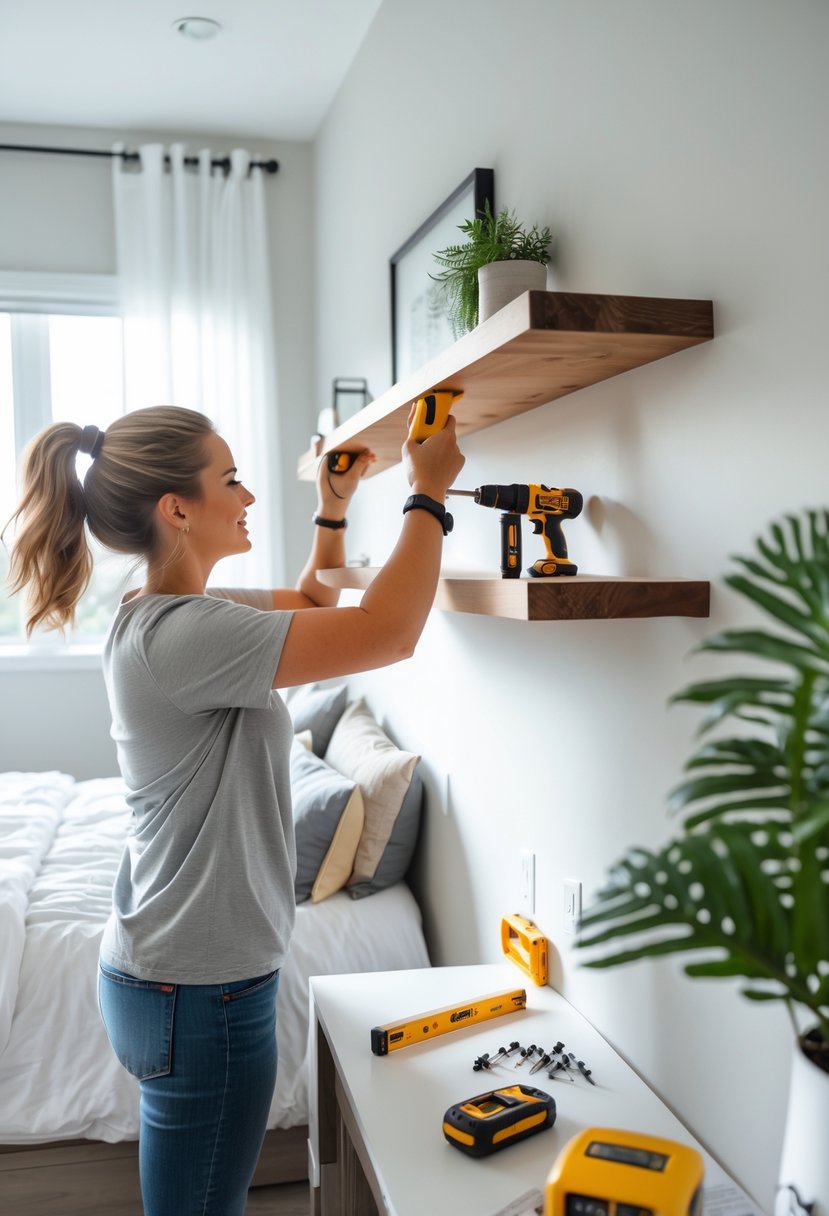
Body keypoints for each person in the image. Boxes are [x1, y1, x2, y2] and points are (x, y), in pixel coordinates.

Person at [6, 403, 464, 1216]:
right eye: (231, 479)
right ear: (177, 509)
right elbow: (388, 632)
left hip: (178, 974)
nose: (248, 496)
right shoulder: (185, 634)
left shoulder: (176, 616)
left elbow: (316, 604)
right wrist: (426, 493)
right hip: (199, 987)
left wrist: (333, 508)